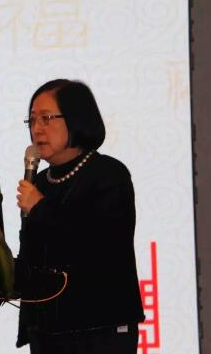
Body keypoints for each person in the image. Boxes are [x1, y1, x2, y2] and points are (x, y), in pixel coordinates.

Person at [15, 79, 145, 353]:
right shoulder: (40, 182)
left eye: (46, 118)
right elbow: (34, 255)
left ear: (76, 118)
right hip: (47, 330)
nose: (37, 128)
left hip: (99, 329)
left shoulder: (109, 175)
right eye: (32, 120)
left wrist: (39, 208)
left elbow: (99, 248)